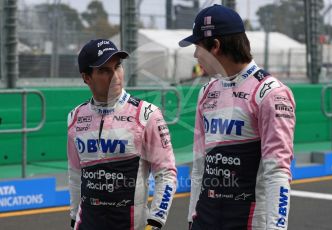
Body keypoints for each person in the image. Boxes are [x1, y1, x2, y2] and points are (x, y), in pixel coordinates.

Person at [179, 4, 295, 230]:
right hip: (206, 217)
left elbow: (278, 172)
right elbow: (199, 165)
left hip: (249, 219)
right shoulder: (208, 91)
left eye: (197, 46)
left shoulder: (270, 93)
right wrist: (192, 218)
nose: (195, 55)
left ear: (215, 46)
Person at [67, 39, 177, 230]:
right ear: (86, 77)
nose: (115, 76)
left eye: (117, 67)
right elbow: (76, 174)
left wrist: (156, 221)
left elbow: (166, 173)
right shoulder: (75, 117)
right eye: (104, 71)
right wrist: (73, 216)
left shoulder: (147, 114)